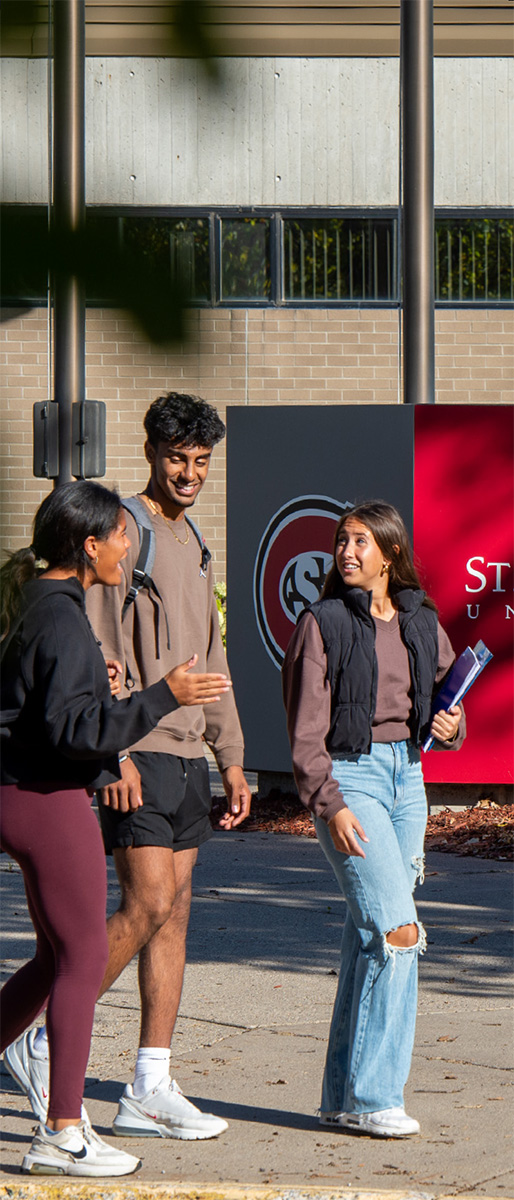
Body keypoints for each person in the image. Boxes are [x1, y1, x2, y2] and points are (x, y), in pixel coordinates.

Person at [5, 393, 251, 1142]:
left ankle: (149, 1083)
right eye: (178, 458)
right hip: (133, 750)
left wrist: (232, 757)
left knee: (174, 914)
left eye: (202, 461)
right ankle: (44, 1039)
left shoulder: (194, 541)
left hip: (185, 753)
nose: (190, 473)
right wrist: (110, 758)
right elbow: (91, 673)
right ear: (152, 452)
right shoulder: (120, 537)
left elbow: (211, 660)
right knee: (142, 905)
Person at [282, 500, 465, 1139]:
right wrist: (326, 802)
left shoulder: (419, 617)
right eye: (341, 541)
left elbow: (447, 697)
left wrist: (454, 723)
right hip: (351, 776)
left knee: (370, 939)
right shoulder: (323, 621)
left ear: (389, 554)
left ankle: (342, 1096)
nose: (346, 552)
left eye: (360, 541)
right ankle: (375, 1096)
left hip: (408, 779)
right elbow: (304, 729)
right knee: (398, 933)